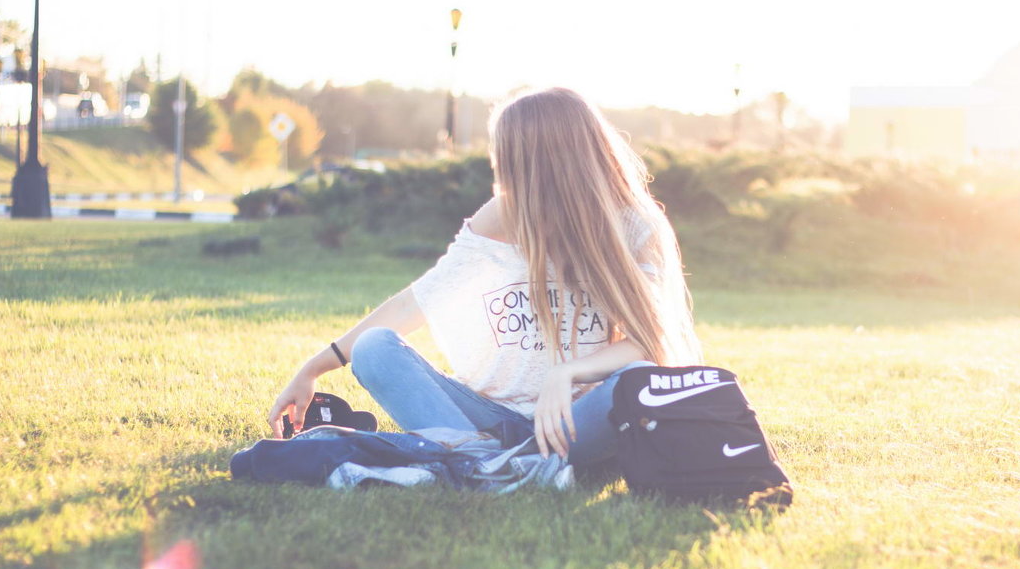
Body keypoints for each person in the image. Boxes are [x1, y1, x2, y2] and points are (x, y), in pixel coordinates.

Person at [267, 87, 701, 468]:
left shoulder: (636, 224)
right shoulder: (501, 216)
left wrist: (567, 374)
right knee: (374, 348)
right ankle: (491, 462)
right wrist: (314, 368)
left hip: (577, 424)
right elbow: (416, 303)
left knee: (637, 380)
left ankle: (473, 462)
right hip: (489, 420)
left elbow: (652, 340)